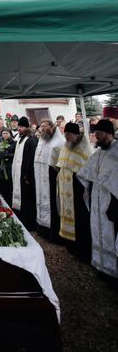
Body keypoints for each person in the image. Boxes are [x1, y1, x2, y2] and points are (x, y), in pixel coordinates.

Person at [77, 119, 118, 280]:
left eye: (99, 134)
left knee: (110, 234)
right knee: (97, 230)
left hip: (111, 202)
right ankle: (100, 266)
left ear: (109, 133)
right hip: (96, 200)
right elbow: (86, 172)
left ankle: (113, 272)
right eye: (95, 134)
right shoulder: (99, 152)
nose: (96, 137)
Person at [56, 122, 92, 260]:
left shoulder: (84, 150)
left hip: (77, 189)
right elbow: (62, 163)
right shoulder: (66, 146)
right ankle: (69, 244)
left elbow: (85, 171)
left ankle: (81, 248)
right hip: (66, 187)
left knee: (79, 217)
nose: (66, 137)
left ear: (76, 134)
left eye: (69, 134)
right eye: (65, 134)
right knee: (66, 215)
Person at [34, 119, 64, 240]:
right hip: (41, 178)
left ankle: (53, 233)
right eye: (41, 127)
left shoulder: (58, 142)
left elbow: (59, 165)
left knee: (52, 204)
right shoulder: (42, 140)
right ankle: (42, 229)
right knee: (41, 201)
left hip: (51, 178)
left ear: (52, 127)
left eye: (45, 126)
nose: (42, 129)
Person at [11, 116, 38, 230]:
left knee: (27, 199)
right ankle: (21, 220)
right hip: (18, 174)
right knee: (20, 198)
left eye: (21, 127)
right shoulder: (20, 138)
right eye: (19, 127)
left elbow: (30, 159)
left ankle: (29, 223)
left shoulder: (31, 139)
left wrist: (27, 175)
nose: (19, 129)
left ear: (27, 127)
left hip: (26, 175)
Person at [0, 129, 16, 206]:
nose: (5, 135)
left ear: (10, 134)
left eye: (7, 133)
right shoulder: (0, 143)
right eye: (3, 133)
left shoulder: (14, 143)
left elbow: (16, 155)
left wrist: (7, 155)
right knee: (3, 187)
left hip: (10, 167)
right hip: (2, 168)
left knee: (10, 187)